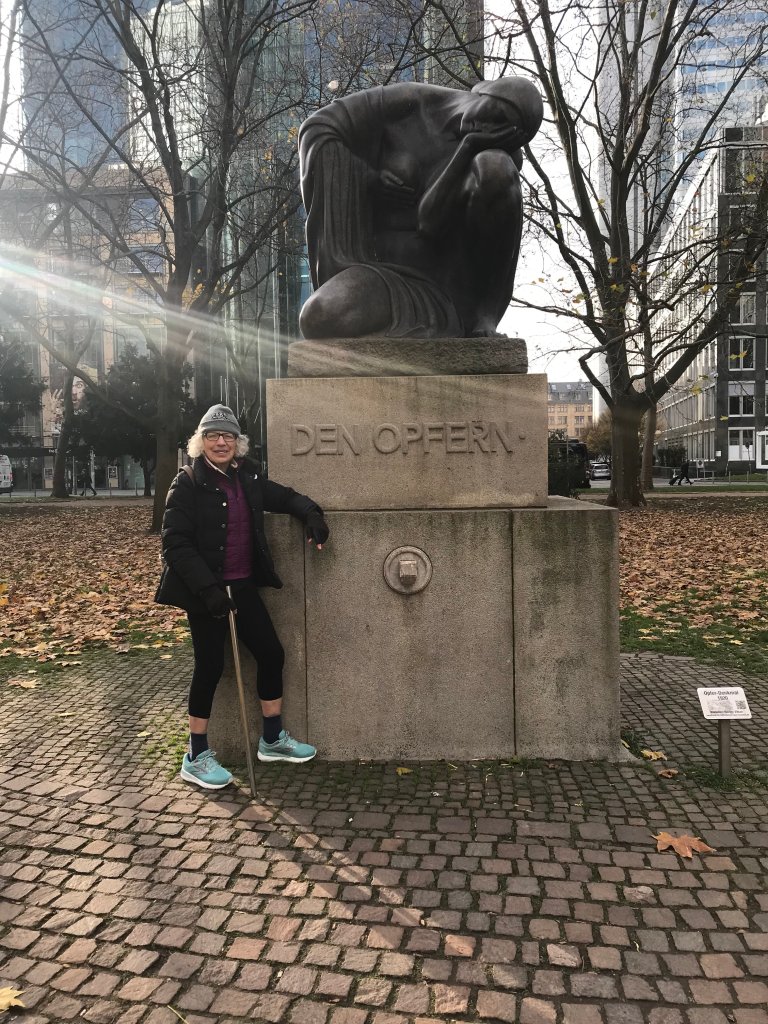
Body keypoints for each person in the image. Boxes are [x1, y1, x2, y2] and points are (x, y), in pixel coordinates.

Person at [155, 405, 330, 790]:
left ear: (238, 442)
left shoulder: (247, 476)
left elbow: (285, 497)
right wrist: (209, 591)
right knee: (210, 667)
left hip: (244, 586)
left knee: (271, 653)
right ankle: (196, 755)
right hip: (206, 593)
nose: (221, 442)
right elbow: (175, 544)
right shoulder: (186, 482)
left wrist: (312, 514)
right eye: (213, 435)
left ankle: (272, 739)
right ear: (200, 441)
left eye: (228, 436)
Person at [298, 77, 544, 340]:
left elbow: (429, 223)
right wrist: (367, 178)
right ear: (485, 93)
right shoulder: (410, 101)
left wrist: (469, 147)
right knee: (318, 315)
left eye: (503, 129)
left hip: (450, 291)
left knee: (496, 166)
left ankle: (480, 318)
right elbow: (318, 128)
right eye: (495, 115)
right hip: (380, 275)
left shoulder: (492, 154)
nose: (489, 128)